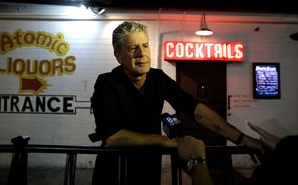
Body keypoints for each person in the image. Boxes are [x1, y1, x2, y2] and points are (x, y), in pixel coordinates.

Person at [90, 21, 262, 185]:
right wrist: (170, 142)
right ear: (118, 56)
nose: (142, 53)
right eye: (133, 48)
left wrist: (243, 139)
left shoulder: (157, 78)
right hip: (114, 173)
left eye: (145, 45)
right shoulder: (107, 82)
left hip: (149, 171)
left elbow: (193, 108)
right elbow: (113, 138)